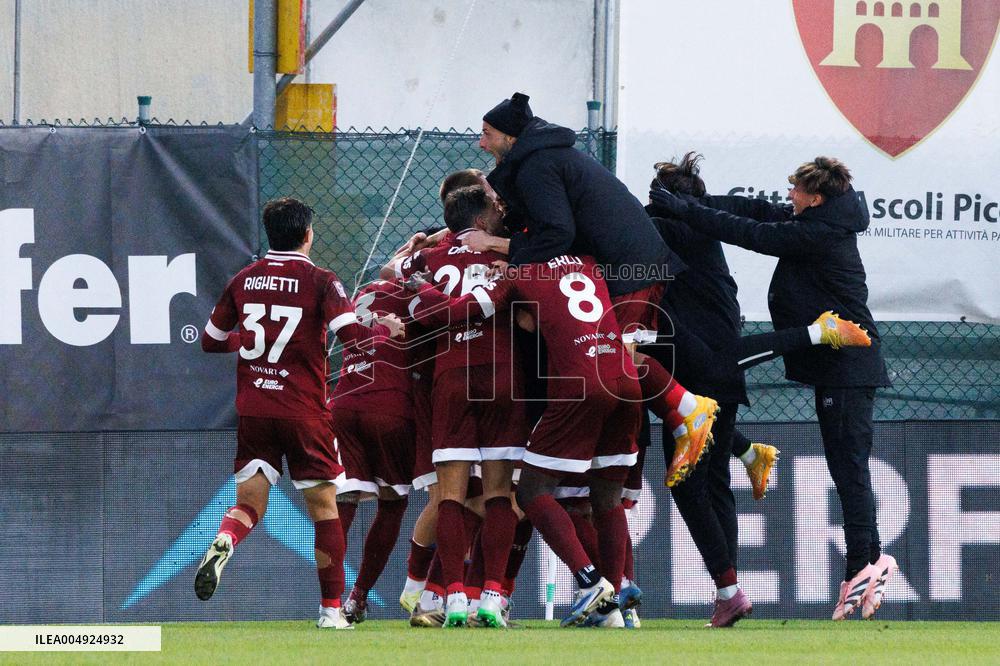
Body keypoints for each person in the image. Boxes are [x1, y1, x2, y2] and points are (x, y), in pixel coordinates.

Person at [649, 157, 897, 621]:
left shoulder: (817, 233)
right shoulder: (815, 219)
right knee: (846, 466)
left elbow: (753, 234)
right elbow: (756, 211)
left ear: (816, 197)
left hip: (847, 362)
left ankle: (863, 562)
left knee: (849, 469)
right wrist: (693, 203)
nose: (789, 196)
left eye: (796, 190)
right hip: (836, 366)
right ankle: (867, 560)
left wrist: (686, 211)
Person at [403, 185, 642, 629]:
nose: (502, 212)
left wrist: (424, 271)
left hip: (459, 379)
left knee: (461, 496)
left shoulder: (460, 262)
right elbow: (522, 318)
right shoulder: (582, 259)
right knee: (533, 497)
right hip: (563, 381)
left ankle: (449, 597)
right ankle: (498, 598)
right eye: (496, 208)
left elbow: (403, 280)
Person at [468, 92, 719, 486]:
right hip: (633, 264)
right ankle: (674, 422)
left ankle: (681, 417)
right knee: (611, 363)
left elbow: (558, 231)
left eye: (487, 134)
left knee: (609, 361)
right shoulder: (545, 158)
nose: (481, 143)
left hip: (628, 270)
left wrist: (503, 249)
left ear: (511, 137)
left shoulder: (536, 166)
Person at [195, 197, 404, 629]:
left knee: (249, 504)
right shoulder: (321, 280)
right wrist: (385, 329)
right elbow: (354, 338)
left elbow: (210, 340)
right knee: (325, 509)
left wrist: (246, 340)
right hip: (303, 412)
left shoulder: (243, 279)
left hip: (254, 409)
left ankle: (225, 539)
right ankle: (331, 611)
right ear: (307, 234)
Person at [392, 185, 527, 628]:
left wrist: (422, 245)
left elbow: (394, 270)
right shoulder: (510, 256)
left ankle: (449, 597)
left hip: (451, 375)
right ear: (484, 221)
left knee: (449, 493)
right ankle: (489, 597)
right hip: (502, 373)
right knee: (499, 493)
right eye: (496, 207)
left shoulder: (429, 260)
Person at [329, 277, 419, 624]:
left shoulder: (366, 290)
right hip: (389, 403)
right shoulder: (419, 290)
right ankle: (359, 596)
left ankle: (330, 601)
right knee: (394, 501)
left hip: (345, 400)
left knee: (345, 500)